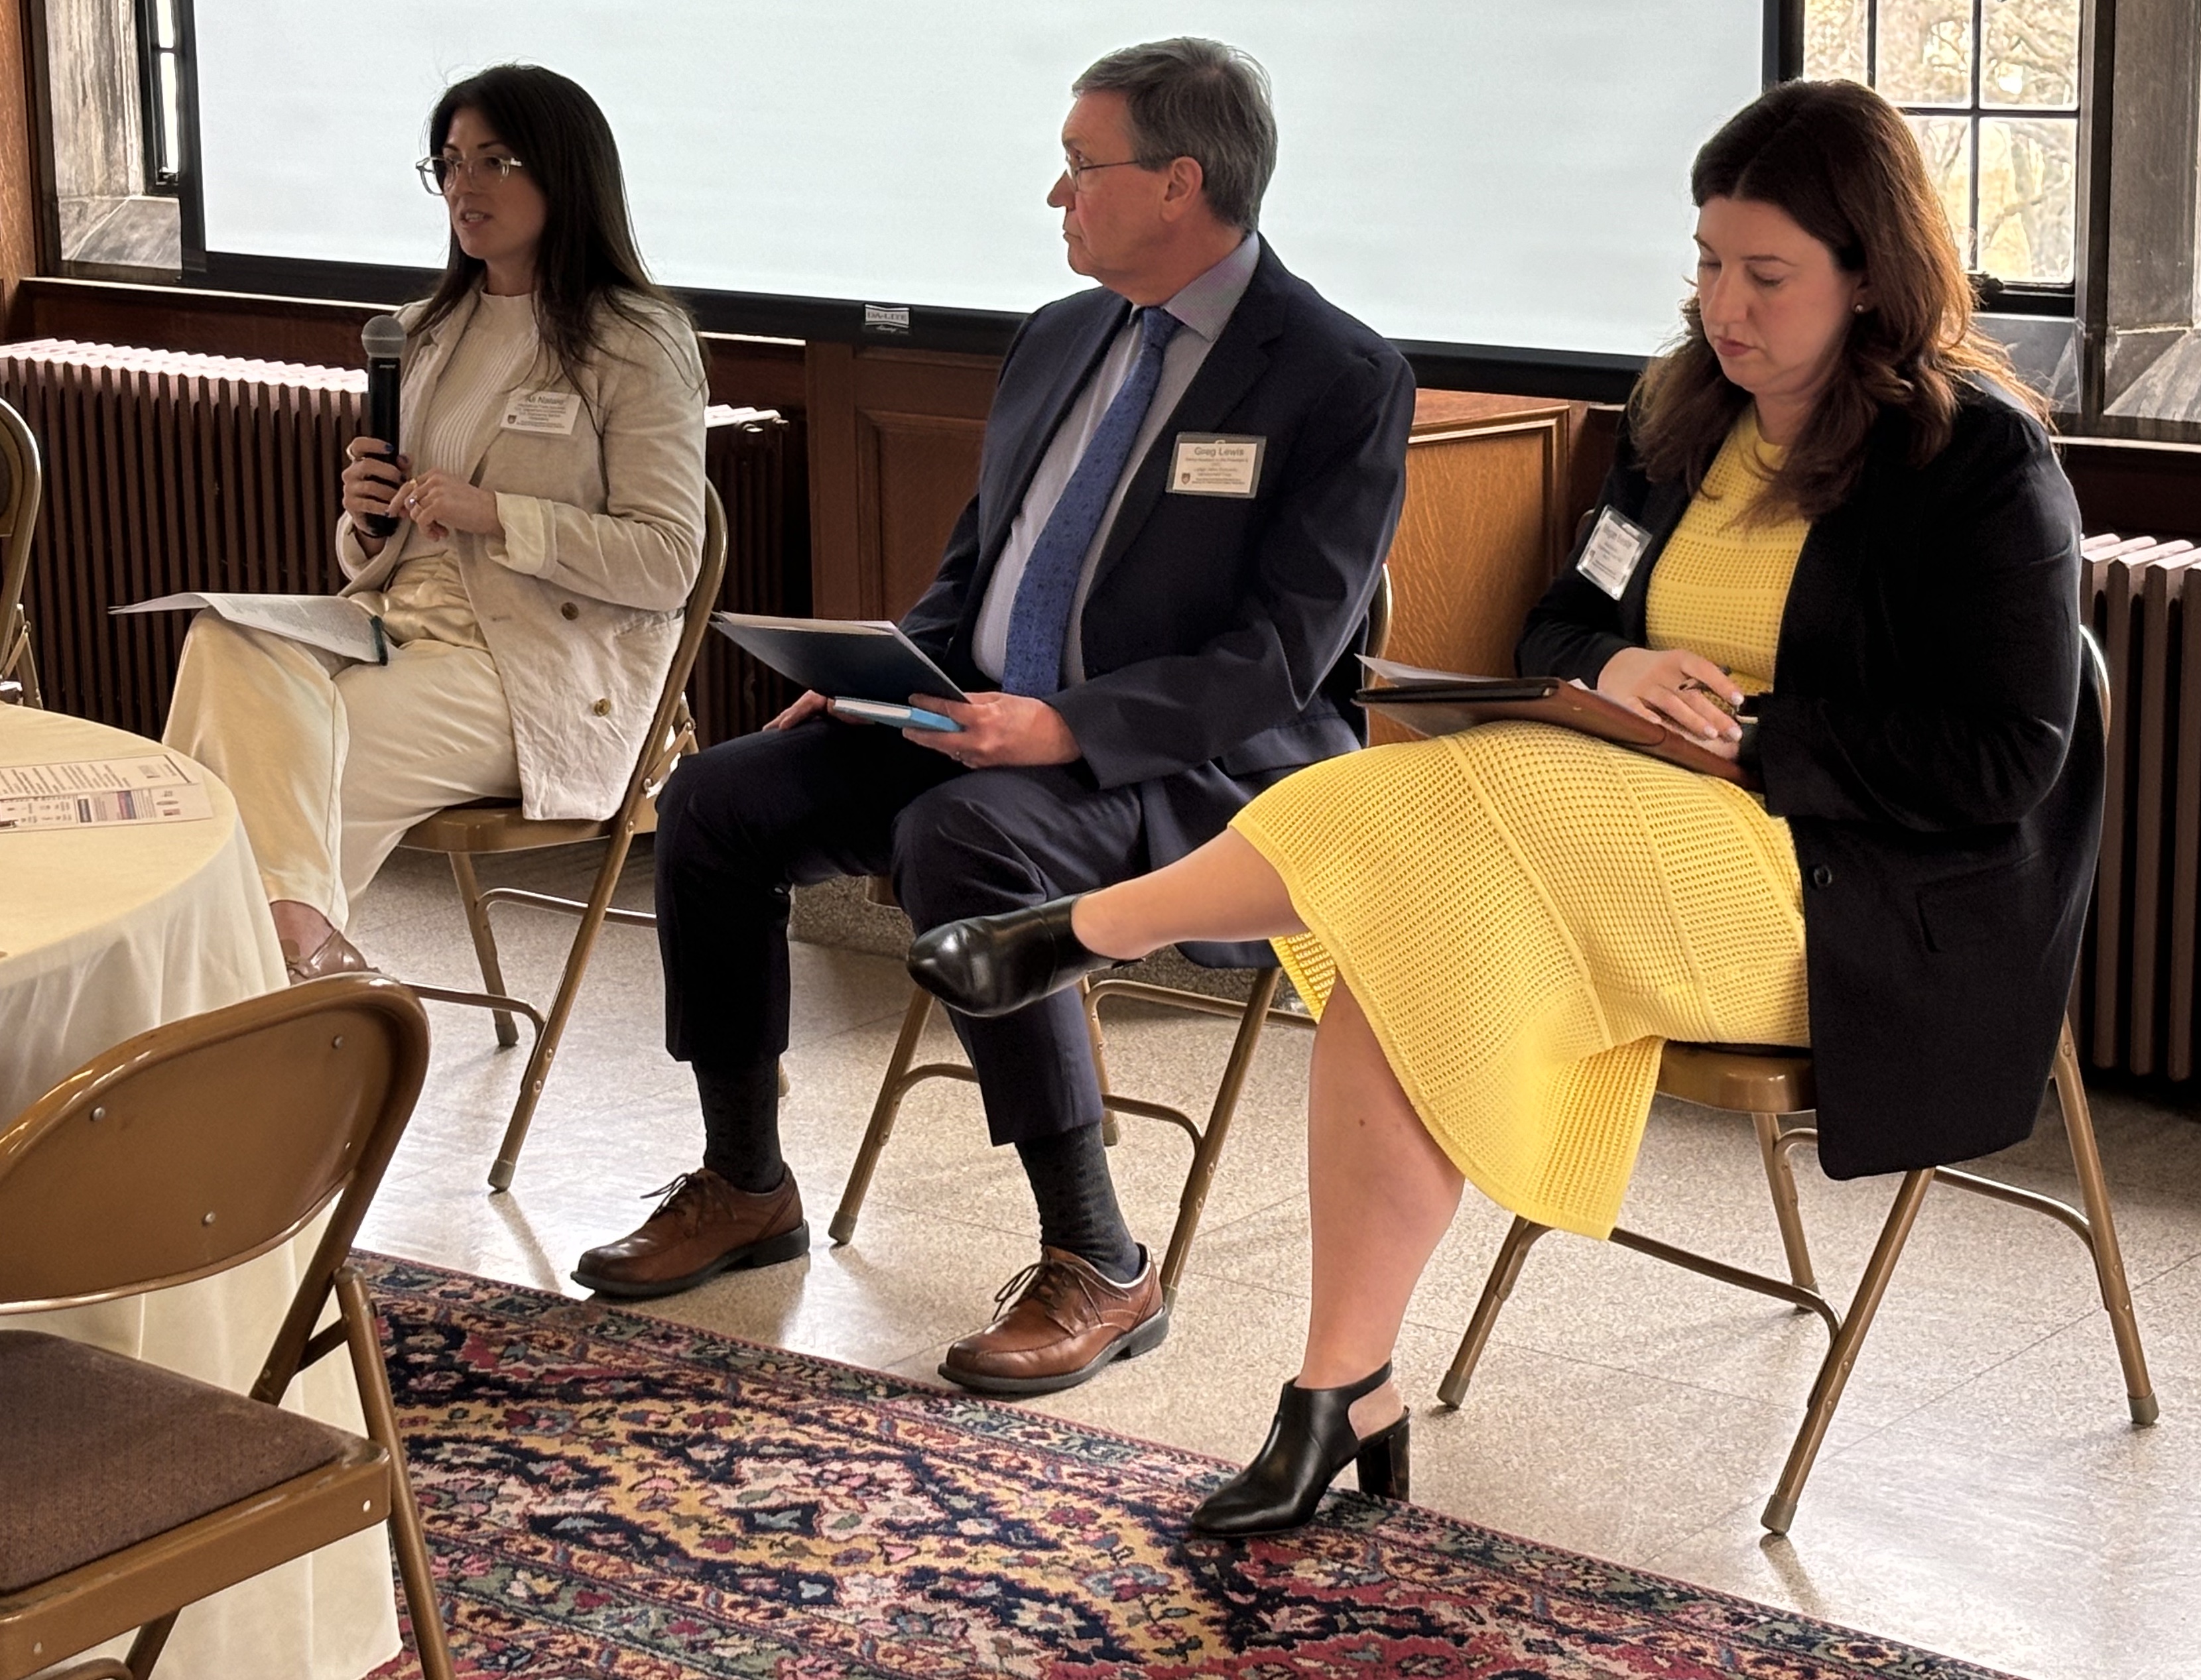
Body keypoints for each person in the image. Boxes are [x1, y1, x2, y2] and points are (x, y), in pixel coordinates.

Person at [908, 77, 2098, 1533]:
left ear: (1871, 278)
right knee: (1414, 880)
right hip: (1627, 818)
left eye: (1764, 274)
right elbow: (1553, 631)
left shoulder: (1975, 456)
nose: (1724, 306)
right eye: (1708, 264)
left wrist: (1751, 738)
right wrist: (1618, 660)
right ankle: (1336, 1391)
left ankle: (1077, 933)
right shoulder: (1680, 420)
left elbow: (2006, 757)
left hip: (1840, 888)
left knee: (1431, 840)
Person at [572, 38, 1416, 1401]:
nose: (1056, 197)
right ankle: (744, 1179)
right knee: (721, 801)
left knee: (968, 839)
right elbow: (984, 563)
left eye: (1082, 169)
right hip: (976, 720)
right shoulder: (1064, 334)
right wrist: (881, 677)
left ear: (1179, 184)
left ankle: (1099, 1254)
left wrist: (1067, 729)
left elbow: (1281, 658)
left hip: (1185, 768)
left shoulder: (1337, 375)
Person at [164, 65, 708, 980]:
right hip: (399, 626)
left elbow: (667, 563)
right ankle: (298, 948)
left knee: (304, 743)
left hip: (533, 663)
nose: (464, 186)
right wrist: (369, 524)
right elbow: (391, 545)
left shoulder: (636, 341)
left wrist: (495, 514)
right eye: (450, 163)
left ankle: (233, 992)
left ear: (566, 175)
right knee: (226, 639)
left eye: (495, 161)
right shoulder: (425, 329)